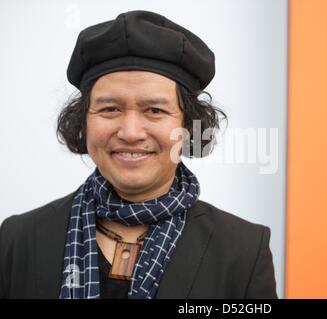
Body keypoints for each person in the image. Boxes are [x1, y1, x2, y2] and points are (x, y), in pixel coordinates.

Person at [0, 10, 277, 299]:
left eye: (154, 110)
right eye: (110, 109)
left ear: (188, 125)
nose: (130, 132)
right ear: (83, 121)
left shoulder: (243, 251)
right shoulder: (18, 240)